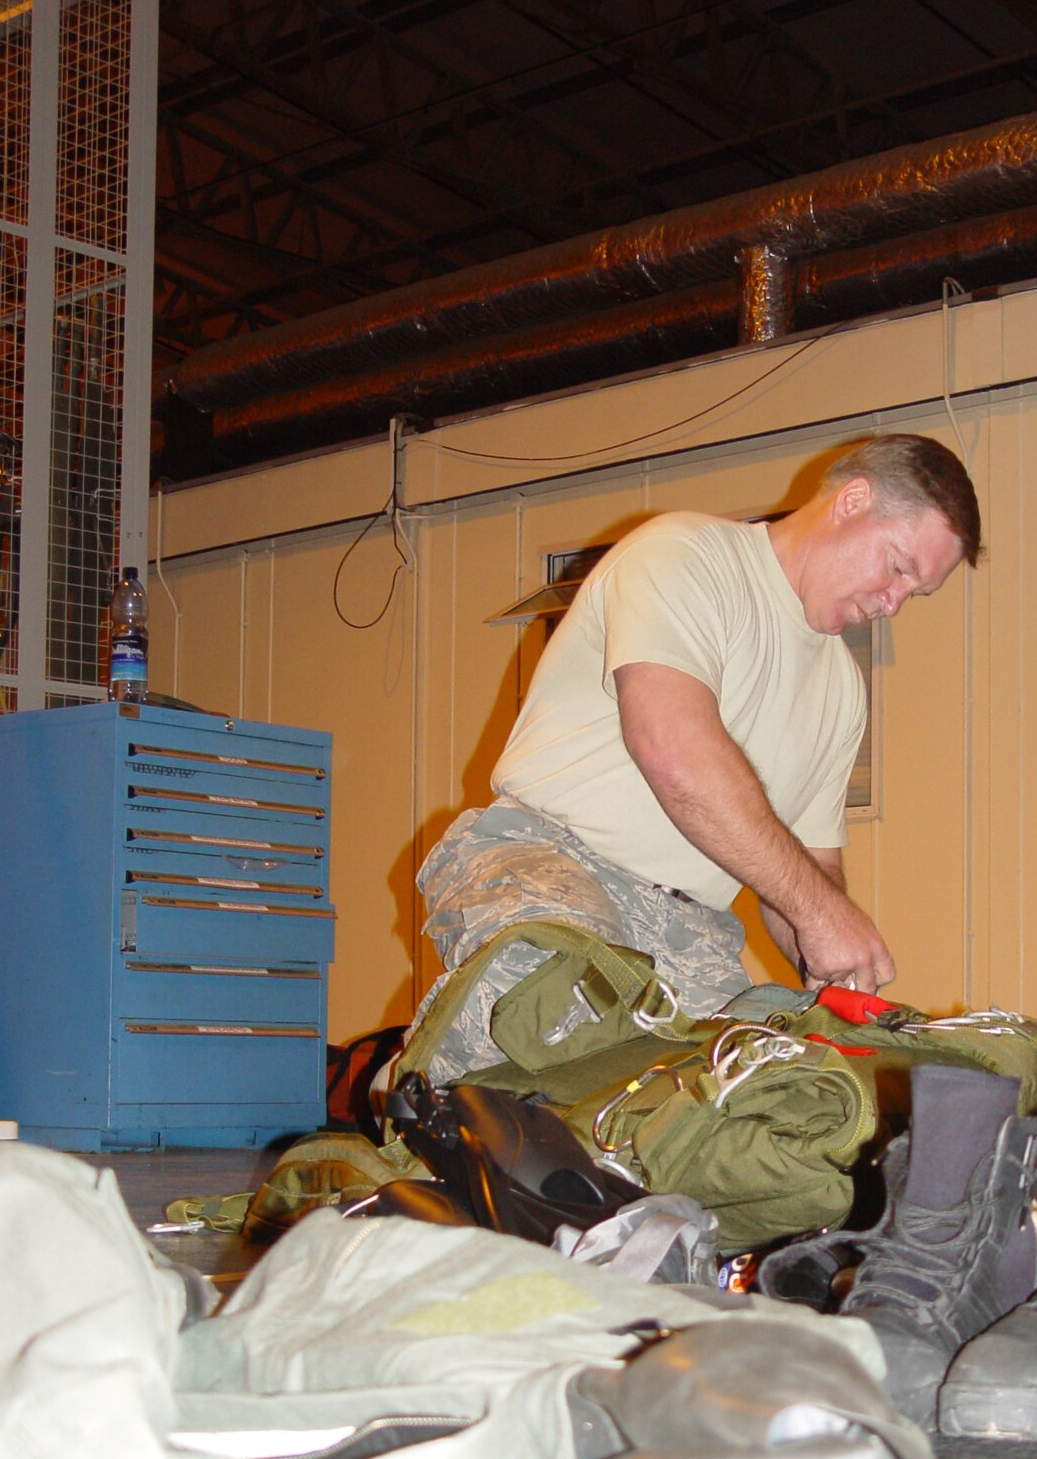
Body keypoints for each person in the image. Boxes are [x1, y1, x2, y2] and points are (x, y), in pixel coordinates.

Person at [415, 433, 980, 1079]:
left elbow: (808, 873)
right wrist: (823, 913)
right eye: (898, 567)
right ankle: (426, 1099)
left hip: (689, 924)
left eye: (917, 592)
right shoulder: (684, 555)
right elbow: (671, 746)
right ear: (853, 502)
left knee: (747, 1100)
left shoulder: (841, 692)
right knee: (558, 1025)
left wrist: (841, 979)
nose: (894, 603)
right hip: (548, 858)